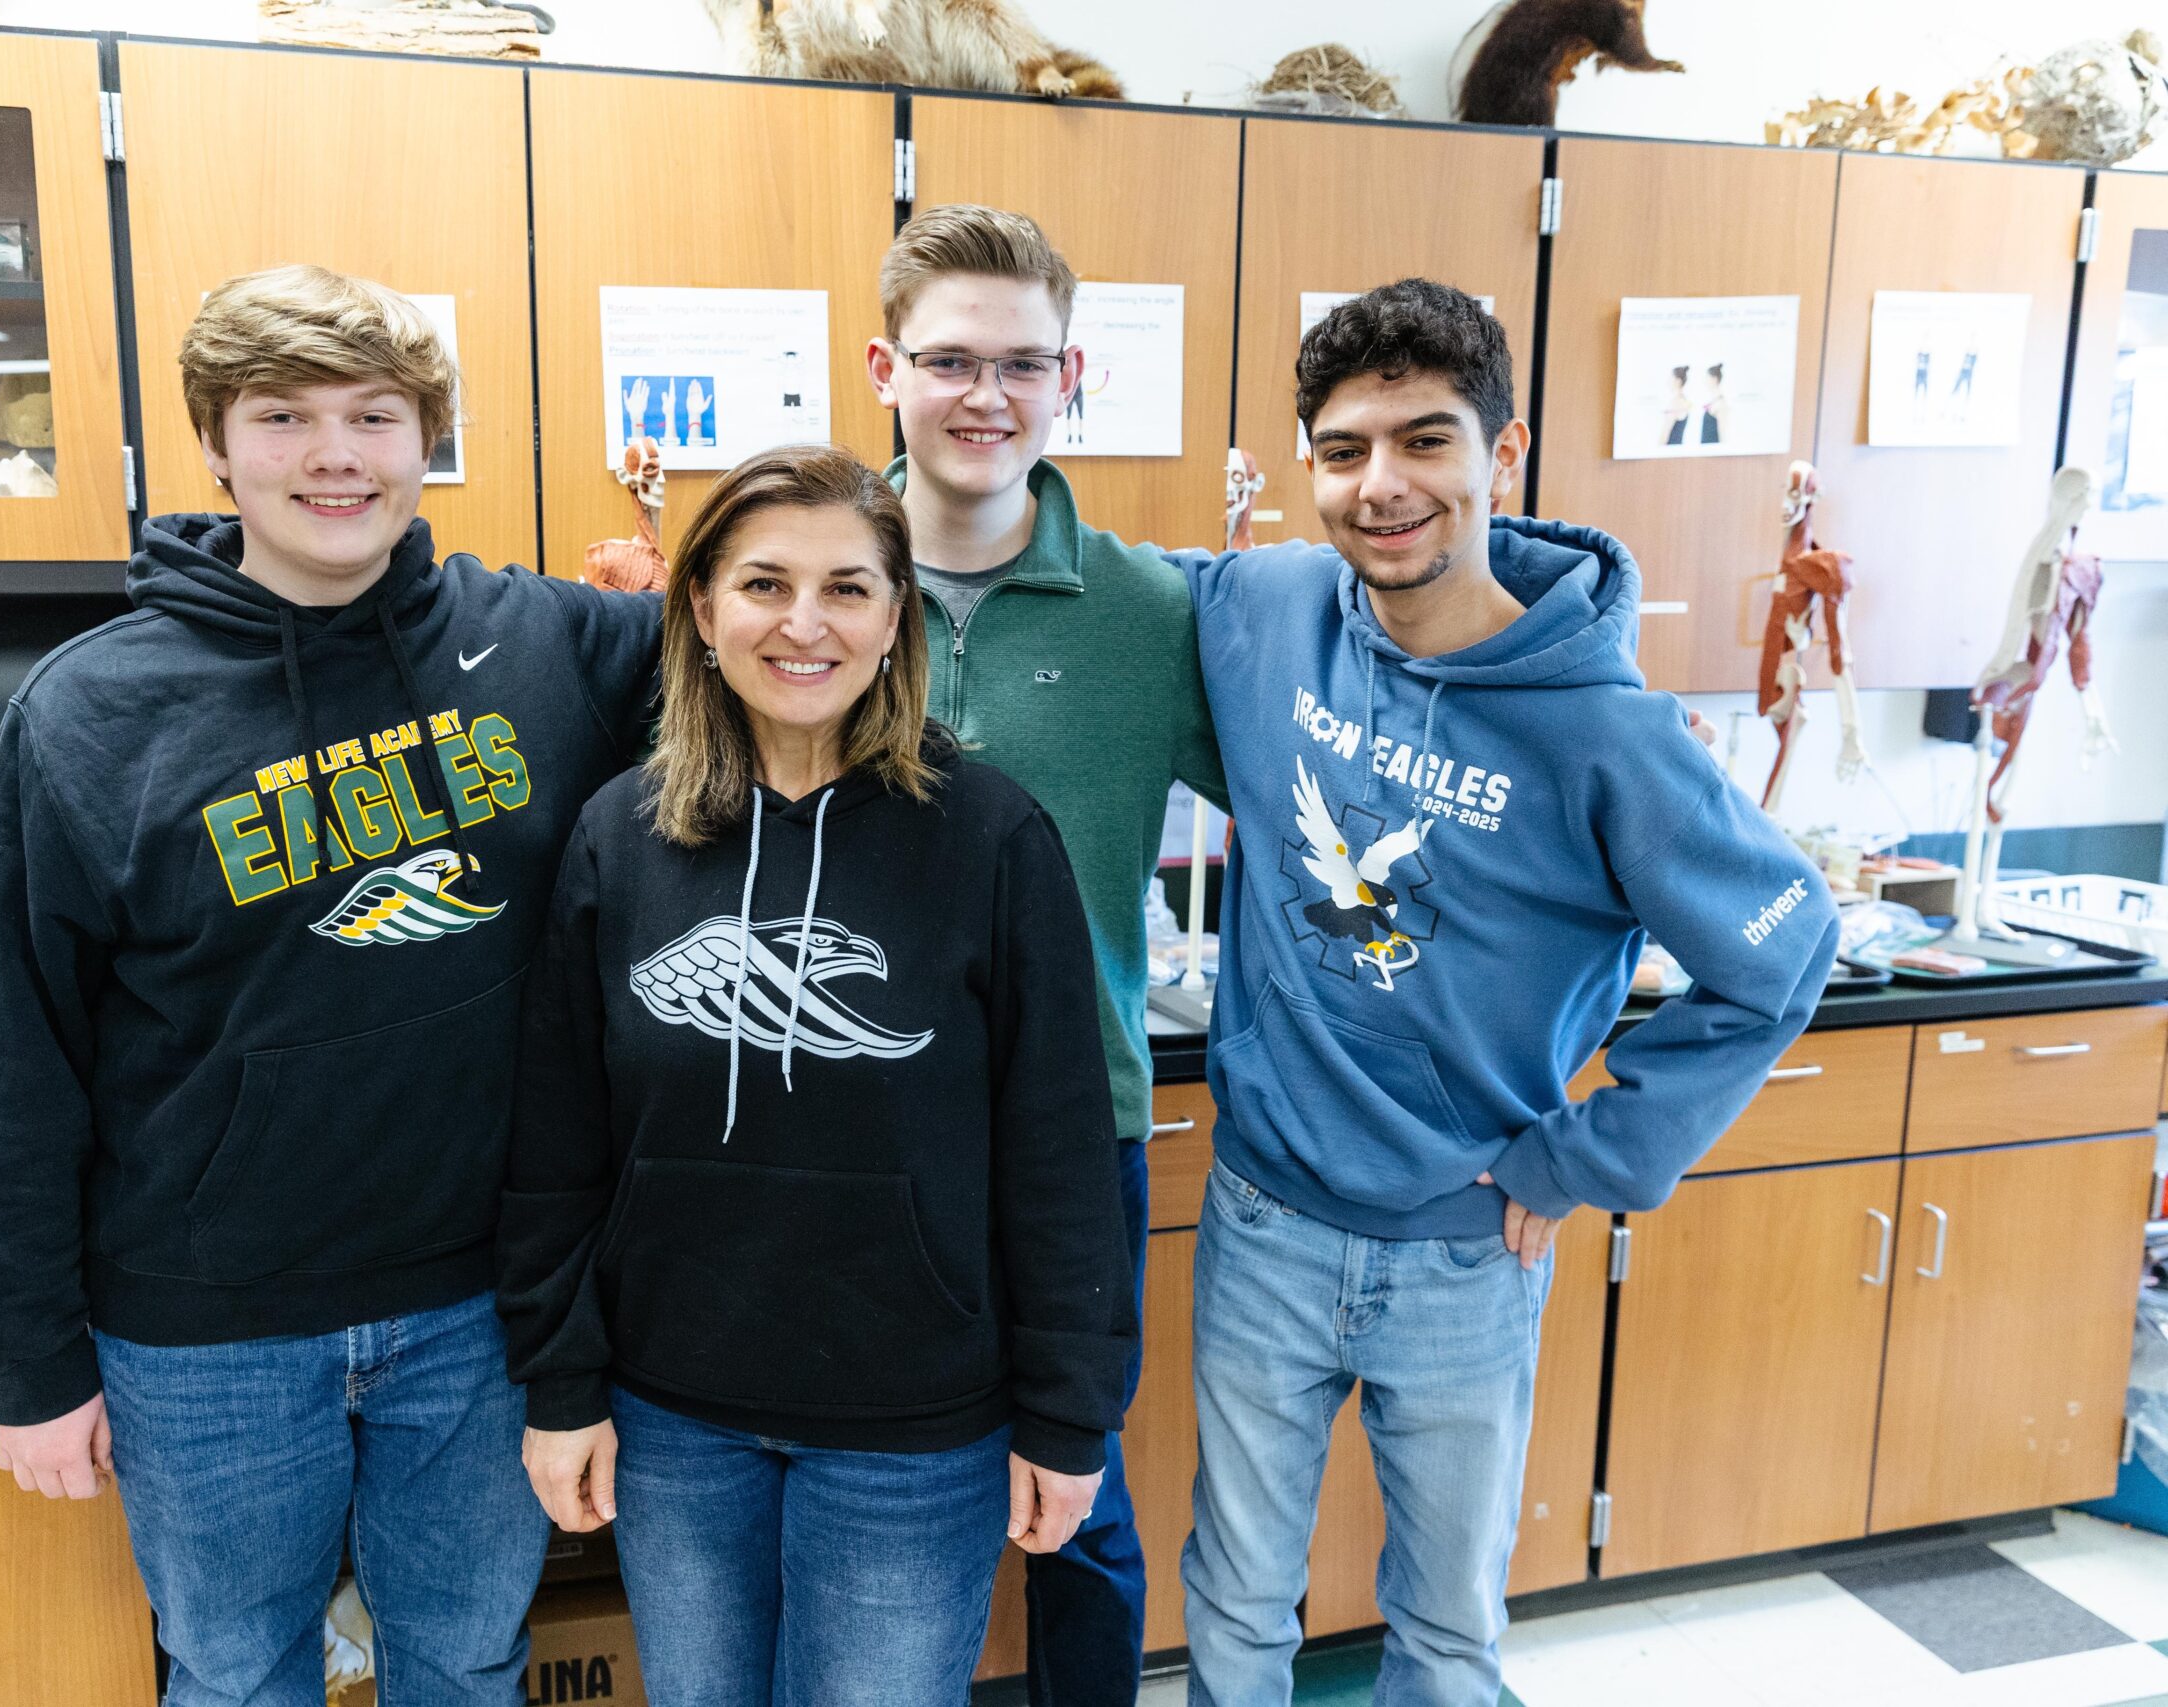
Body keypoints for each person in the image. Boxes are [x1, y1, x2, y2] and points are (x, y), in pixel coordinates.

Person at [0, 264, 660, 1707]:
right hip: (204, 1333)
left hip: (485, 1310)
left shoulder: (553, 646)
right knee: (235, 1675)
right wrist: (30, 1365)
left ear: (426, 439)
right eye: (283, 416)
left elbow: (804, 633)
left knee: (467, 1661)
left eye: (374, 415)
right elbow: (15, 1067)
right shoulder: (86, 712)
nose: (335, 455)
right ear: (216, 444)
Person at [1175, 279, 1839, 1706]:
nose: (1382, 483)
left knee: (1446, 1624)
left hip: (1468, 1248)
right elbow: (1086, 595)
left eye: (1426, 439)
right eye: (1344, 449)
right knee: (1233, 1594)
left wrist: (1584, 1155)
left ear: (1504, 451)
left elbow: (1780, 952)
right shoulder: (1264, 607)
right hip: (1263, 1219)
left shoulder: (1607, 728)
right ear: (1307, 466)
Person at [499, 443, 1137, 1707]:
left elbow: (1058, 1151)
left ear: (896, 619)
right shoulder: (619, 835)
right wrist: (561, 1384)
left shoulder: (992, 837)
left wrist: (1069, 1415)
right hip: (675, 1419)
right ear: (701, 609)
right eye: (764, 584)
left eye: (847, 588)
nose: (805, 624)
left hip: (916, 1433)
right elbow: (555, 1144)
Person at [864, 202, 1226, 1707]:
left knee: (1081, 1505)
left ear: (1068, 379)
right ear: (885, 369)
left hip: (1078, 1132)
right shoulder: (809, 584)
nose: (986, 395)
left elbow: (1315, 795)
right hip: (853, 1127)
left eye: (1023, 363)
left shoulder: (1151, 612)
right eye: (950, 359)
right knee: (877, 1496)